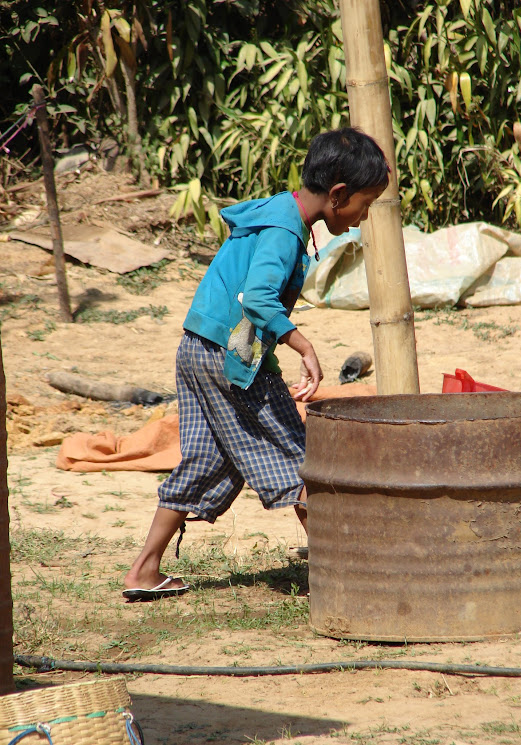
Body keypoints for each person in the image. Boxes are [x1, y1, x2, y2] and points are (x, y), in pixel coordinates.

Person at [122, 127, 390, 601]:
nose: (363, 217)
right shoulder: (287, 231)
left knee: (205, 460)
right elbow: (258, 297)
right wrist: (303, 346)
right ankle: (350, 573)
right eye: (364, 206)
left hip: (196, 349)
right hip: (230, 359)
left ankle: (144, 570)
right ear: (338, 194)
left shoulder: (279, 211)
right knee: (303, 460)